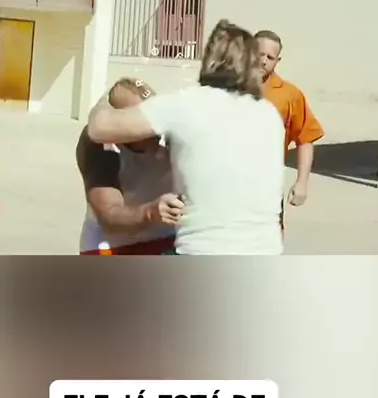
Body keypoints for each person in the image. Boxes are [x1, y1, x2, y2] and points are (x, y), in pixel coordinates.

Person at [87, 21, 286, 255]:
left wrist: (106, 98)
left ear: (209, 59)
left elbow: (98, 129)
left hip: (203, 253)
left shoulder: (185, 103)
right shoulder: (270, 113)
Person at [77, 78, 184, 255]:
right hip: (112, 245)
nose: (153, 127)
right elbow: (110, 215)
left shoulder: (170, 133)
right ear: (120, 122)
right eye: (141, 119)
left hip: (165, 238)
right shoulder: (101, 145)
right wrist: (150, 213)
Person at [254, 30, 324, 222]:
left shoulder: (289, 95)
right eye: (259, 54)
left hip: (267, 186)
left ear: (277, 61)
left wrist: (302, 182)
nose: (263, 61)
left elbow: (305, 138)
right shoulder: (227, 88)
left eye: (270, 57)